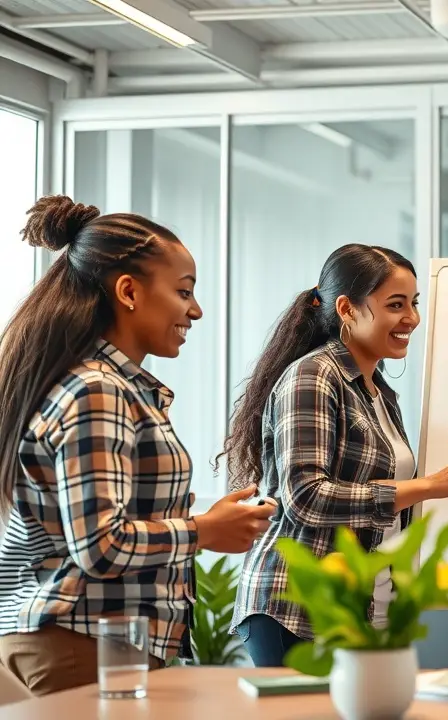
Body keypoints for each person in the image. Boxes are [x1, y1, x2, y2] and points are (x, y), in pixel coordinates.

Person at [0, 196, 274, 695]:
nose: (196, 310)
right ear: (128, 291)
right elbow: (100, 547)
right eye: (184, 291)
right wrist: (205, 531)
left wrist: (206, 522)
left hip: (89, 643)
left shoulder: (107, 387)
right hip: (80, 645)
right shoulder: (98, 390)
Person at [224, 244, 448, 667]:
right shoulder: (314, 375)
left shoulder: (380, 393)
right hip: (297, 607)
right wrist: (430, 486)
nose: (412, 318)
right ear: (346, 309)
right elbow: (305, 497)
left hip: (362, 605)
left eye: (413, 303)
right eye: (395, 305)